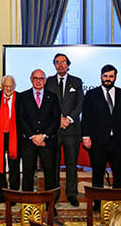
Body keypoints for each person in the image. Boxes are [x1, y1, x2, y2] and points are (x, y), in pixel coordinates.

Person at [82, 64, 121, 208]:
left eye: (111, 76)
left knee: (118, 174)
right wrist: (85, 136)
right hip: (98, 141)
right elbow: (86, 117)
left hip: (118, 141)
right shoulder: (91, 94)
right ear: (100, 76)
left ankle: (118, 203)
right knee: (97, 174)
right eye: (105, 76)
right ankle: (97, 204)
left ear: (115, 77)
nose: (108, 79)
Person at [44, 53, 84, 206]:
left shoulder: (77, 81)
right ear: (54, 65)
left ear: (68, 64)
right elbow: (47, 105)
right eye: (57, 62)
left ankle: (72, 194)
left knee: (71, 164)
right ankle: (54, 193)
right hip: (54, 131)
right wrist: (58, 120)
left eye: (63, 62)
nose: (60, 65)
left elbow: (80, 103)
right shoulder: (49, 82)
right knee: (53, 165)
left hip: (71, 130)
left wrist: (69, 119)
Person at [17, 69, 60, 192]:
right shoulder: (23, 96)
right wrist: (33, 136)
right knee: (27, 174)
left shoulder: (52, 97)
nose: (38, 81)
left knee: (50, 174)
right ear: (31, 80)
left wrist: (44, 136)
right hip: (29, 142)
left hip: (47, 142)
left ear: (45, 81)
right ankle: (28, 204)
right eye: (35, 78)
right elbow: (20, 118)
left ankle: (50, 205)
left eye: (41, 78)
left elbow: (55, 119)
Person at [0, 75, 20, 202]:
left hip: (15, 137)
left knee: (14, 166)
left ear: (14, 86)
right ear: (2, 86)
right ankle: (2, 193)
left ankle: (13, 193)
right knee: (0, 166)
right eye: (6, 86)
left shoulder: (20, 98)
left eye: (11, 86)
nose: (8, 89)